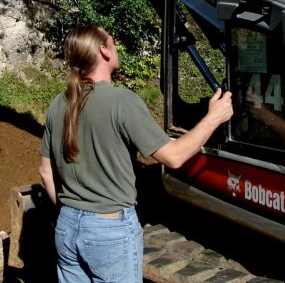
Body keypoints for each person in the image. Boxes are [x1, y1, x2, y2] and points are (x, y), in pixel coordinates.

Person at [39, 25, 233, 283]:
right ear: (103, 51)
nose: (116, 43)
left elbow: (45, 171)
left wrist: (72, 214)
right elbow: (173, 157)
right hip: (109, 230)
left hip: (67, 226)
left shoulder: (58, 104)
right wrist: (213, 118)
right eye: (112, 38)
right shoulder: (122, 102)